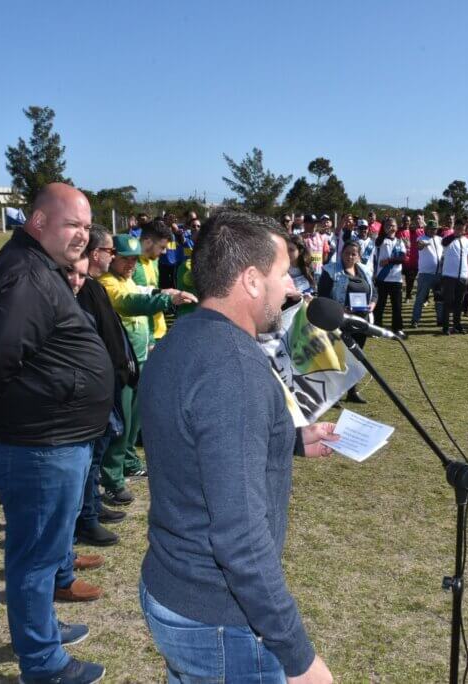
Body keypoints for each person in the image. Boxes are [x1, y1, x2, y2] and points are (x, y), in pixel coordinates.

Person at [138, 210, 336, 684]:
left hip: (172, 587)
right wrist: (299, 657)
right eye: (283, 273)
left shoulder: (183, 336)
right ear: (250, 280)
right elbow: (241, 538)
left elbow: (195, 437)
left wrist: (284, 440)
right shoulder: (233, 365)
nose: (290, 289)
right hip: (217, 617)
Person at [0, 183, 111, 684]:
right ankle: (43, 665)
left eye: (88, 227)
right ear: (39, 222)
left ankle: (42, 630)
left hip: (52, 436)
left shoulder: (38, 265)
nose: (83, 236)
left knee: (42, 553)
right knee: (34, 560)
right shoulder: (25, 274)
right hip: (38, 445)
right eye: (73, 225)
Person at [98, 235, 196, 506]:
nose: (131, 263)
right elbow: (128, 302)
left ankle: (128, 462)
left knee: (135, 421)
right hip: (122, 364)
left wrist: (160, 294)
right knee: (121, 424)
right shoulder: (107, 283)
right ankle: (112, 481)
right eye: (125, 258)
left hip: (140, 360)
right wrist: (167, 302)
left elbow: (140, 292)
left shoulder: (126, 279)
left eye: (134, 258)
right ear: (112, 257)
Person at [73, 227, 142, 547]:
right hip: (96, 384)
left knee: (98, 453)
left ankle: (92, 505)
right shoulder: (85, 288)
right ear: (94, 252)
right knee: (91, 454)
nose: (114, 257)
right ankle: (85, 517)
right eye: (111, 251)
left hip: (109, 379)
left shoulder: (93, 287)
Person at [318, 240, 375, 403]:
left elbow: (374, 291)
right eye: (347, 253)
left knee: (355, 358)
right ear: (341, 253)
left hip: (360, 321)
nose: (350, 257)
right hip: (340, 321)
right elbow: (322, 295)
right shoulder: (330, 270)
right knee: (337, 358)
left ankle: (352, 392)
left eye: (353, 254)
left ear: (358, 256)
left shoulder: (365, 270)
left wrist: (373, 303)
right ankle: (333, 394)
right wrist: (340, 308)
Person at [134, 220, 175, 345]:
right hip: (142, 336)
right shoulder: (130, 262)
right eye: (162, 247)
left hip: (159, 331)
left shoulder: (154, 259)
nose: (164, 252)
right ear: (148, 242)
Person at [372, 218, 407, 332]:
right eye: (388, 225)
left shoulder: (400, 241)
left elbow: (402, 258)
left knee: (397, 306)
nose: (391, 227)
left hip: (396, 279)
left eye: (393, 225)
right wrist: (384, 232)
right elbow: (377, 243)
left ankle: (397, 328)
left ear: (397, 227)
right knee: (380, 305)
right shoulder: (380, 240)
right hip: (382, 278)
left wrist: (389, 261)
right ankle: (377, 327)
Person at [439, 222, 468, 335]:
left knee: (459, 302)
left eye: (461, 229)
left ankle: (457, 325)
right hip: (449, 275)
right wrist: (454, 235)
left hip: (463, 276)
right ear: (454, 229)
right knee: (448, 302)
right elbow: (443, 242)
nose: (459, 230)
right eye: (457, 228)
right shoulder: (448, 239)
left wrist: (467, 274)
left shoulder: (467, 241)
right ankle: (445, 327)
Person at [411, 220, 444, 328]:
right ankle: (415, 320)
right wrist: (424, 244)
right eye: (431, 228)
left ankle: (440, 320)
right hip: (425, 274)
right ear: (426, 229)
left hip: (439, 273)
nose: (433, 230)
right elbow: (419, 246)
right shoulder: (421, 238)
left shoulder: (440, 239)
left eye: (435, 229)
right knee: (420, 298)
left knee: (439, 299)